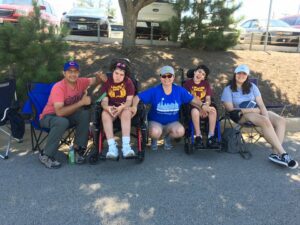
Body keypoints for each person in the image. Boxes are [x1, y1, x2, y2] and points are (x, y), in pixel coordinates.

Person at [221, 64, 298, 169]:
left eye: (244, 74)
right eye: (239, 73)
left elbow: (261, 104)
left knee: (281, 121)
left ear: (247, 76)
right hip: (241, 115)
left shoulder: (252, 87)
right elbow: (230, 109)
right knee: (264, 121)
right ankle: (284, 154)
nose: (241, 75)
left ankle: (275, 154)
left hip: (257, 112)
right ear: (235, 74)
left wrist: (265, 116)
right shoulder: (228, 89)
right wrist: (252, 110)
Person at [39, 60, 107, 169]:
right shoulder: (59, 87)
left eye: (75, 71)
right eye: (69, 71)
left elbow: (94, 80)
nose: (73, 74)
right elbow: (59, 112)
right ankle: (46, 155)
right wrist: (81, 102)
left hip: (66, 116)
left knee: (84, 113)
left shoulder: (81, 82)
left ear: (79, 73)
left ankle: (78, 149)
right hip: (49, 117)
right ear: (64, 73)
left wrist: (101, 78)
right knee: (63, 121)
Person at [131, 65, 212, 151]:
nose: (167, 78)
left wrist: (203, 106)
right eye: (164, 76)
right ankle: (154, 139)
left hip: (172, 122)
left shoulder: (179, 90)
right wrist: (134, 107)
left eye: (169, 76)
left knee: (180, 131)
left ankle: (167, 138)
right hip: (156, 122)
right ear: (160, 78)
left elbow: (193, 99)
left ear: (173, 77)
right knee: (155, 132)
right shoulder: (155, 90)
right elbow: (137, 97)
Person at [100, 60, 136, 159]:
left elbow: (129, 101)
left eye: (121, 74)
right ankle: (112, 147)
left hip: (124, 106)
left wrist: (122, 107)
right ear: (112, 72)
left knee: (126, 112)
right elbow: (104, 100)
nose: (118, 76)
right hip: (112, 107)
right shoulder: (107, 82)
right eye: (116, 73)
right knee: (104, 114)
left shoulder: (128, 83)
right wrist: (106, 107)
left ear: (125, 75)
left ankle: (126, 146)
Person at [183, 65, 219, 148]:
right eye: (199, 72)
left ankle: (211, 136)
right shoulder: (187, 84)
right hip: (193, 106)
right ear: (195, 72)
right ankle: (198, 136)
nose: (200, 74)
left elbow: (208, 98)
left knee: (213, 110)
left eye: (203, 74)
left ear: (204, 78)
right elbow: (189, 100)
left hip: (204, 106)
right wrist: (201, 108)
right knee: (195, 111)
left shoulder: (206, 84)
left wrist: (206, 106)